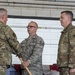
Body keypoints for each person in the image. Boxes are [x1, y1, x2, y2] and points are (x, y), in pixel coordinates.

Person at [0, 8, 22, 75]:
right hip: (1, 61)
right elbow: (14, 43)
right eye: (7, 17)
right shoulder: (5, 28)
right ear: (2, 17)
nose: (7, 19)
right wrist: (20, 52)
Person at [57, 10, 75, 75]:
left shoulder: (72, 31)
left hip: (69, 67)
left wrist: (73, 66)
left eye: (62, 18)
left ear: (68, 18)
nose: (60, 19)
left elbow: (73, 49)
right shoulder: (65, 32)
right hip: (64, 66)